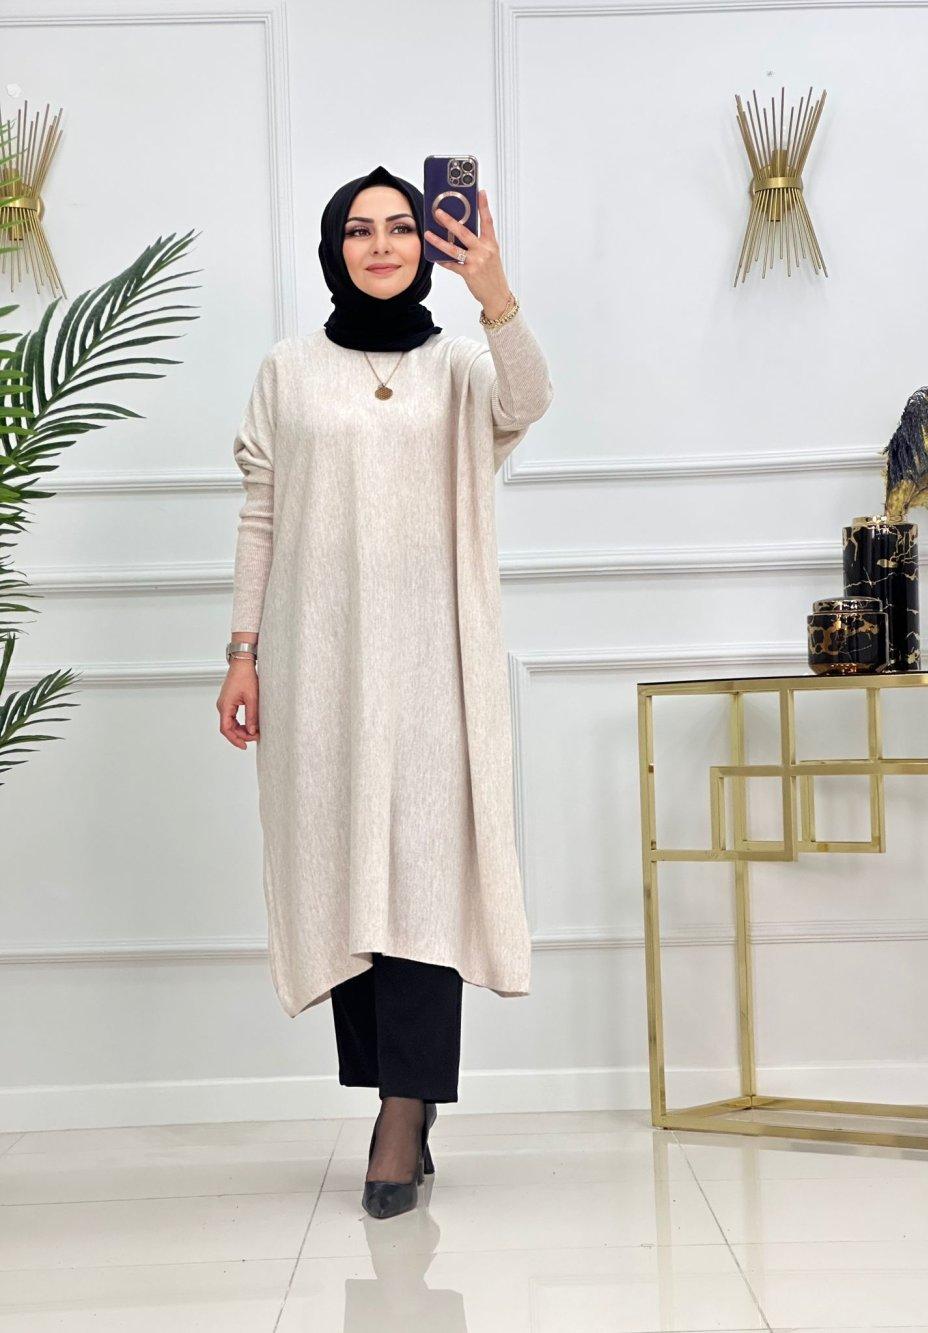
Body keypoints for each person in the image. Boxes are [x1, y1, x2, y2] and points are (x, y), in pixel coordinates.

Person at [217, 163, 554, 1219]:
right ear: (334, 249)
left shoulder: (460, 365)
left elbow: (528, 400)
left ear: (425, 245)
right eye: (358, 230)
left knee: (421, 878)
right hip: (318, 662)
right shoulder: (288, 370)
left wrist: (494, 292)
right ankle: (391, 1088)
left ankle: (401, 1116)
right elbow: (261, 514)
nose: (379, 245)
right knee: (346, 873)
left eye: (399, 227)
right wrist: (242, 650)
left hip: (433, 663)